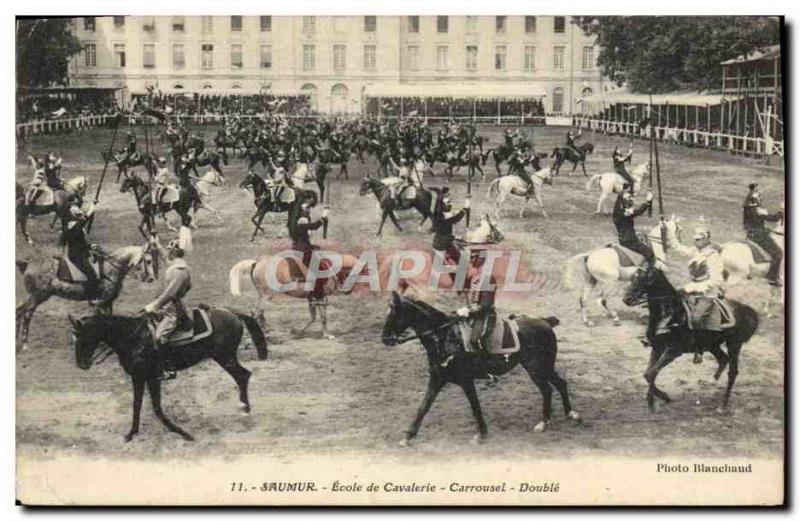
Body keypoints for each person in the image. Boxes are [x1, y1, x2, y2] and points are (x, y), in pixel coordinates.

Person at [672, 225, 726, 363]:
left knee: (696, 318)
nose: (696, 242)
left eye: (699, 239)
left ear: (706, 238)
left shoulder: (713, 256)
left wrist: (691, 288)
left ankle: (699, 349)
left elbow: (716, 280)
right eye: (695, 239)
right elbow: (677, 247)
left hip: (707, 294)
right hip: (692, 289)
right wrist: (667, 231)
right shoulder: (695, 251)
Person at [144, 237, 192, 380]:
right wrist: (157, 245)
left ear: (174, 252)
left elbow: (170, 294)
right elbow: (166, 259)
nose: (168, 253)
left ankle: (168, 369)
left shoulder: (179, 271)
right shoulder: (177, 266)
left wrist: (154, 306)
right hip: (169, 305)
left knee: (159, 337)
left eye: (169, 250)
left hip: (174, 310)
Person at [455, 247, 498, 381]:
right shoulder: (473, 276)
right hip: (473, 315)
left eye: (474, 257)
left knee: (474, 340)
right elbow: (459, 289)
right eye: (470, 257)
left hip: (485, 316)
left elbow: (486, 304)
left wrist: (468, 310)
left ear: (481, 259)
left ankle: (487, 371)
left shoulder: (488, 277)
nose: (471, 259)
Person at [743, 184, 783, 286]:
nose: (761, 199)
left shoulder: (747, 207)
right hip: (759, 235)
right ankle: (773, 278)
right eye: (759, 197)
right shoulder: (757, 209)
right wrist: (781, 212)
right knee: (778, 254)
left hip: (750, 233)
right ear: (756, 200)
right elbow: (773, 218)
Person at [288, 201, 328, 300]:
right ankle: (316, 295)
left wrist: (313, 246)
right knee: (319, 270)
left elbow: (304, 239)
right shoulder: (301, 226)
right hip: (303, 251)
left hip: (298, 248)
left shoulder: (295, 226)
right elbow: (314, 226)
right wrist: (324, 215)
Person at [63, 204, 102, 299]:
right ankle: (91, 296)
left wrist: (90, 246)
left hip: (80, 251)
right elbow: (85, 220)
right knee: (91, 274)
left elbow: (79, 241)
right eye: (78, 215)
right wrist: (92, 207)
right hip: (76, 255)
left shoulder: (72, 224)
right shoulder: (73, 226)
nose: (80, 216)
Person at [612, 187, 655, 266]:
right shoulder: (625, 213)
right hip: (630, 241)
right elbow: (639, 211)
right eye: (628, 199)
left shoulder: (617, 212)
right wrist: (648, 201)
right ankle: (650, 273)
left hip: (624, 239)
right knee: (650, 253)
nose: (630, 200)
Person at [431, 189, 467, 266]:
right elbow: (455, 219)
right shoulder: (442, 218)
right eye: (447, 201)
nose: (450, 202)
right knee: (459, 258)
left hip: (444, 242)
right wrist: (465, 209)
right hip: (442, 245)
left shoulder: (441, 214)